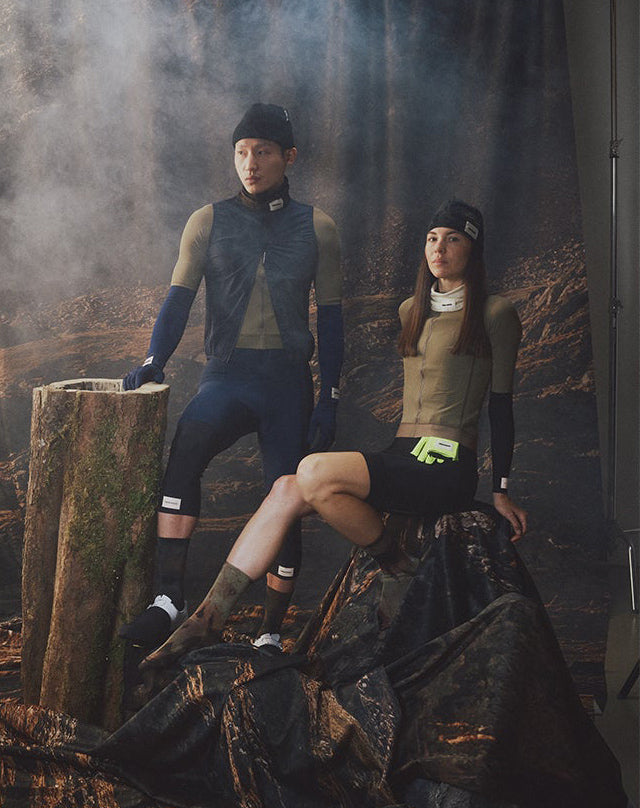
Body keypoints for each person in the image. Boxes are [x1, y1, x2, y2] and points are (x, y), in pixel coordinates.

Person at [142, 198, 528, 668]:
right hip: (404, 451)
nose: (439, 249)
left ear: (473, 249)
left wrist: (500, 489)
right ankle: (207, 619)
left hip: (446, 460)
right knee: (286, 489)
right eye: (432, 238)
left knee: (311, 472)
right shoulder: (411, 309)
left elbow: (502, 405)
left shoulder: (495, 313)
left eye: (453, 239)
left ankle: (397, 566)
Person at [119, 102, 344, 652]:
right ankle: (169, 598)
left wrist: (330, 398)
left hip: (288, 384)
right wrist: (154, 359)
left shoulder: (318, 226)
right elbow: (178, 300)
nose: (250, 163)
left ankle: (271, 629)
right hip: (227, 376)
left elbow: (333, 320)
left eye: (262, 152)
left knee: (285, 495)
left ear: (289, 156)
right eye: (241, 152)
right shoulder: (207, 220)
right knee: (186, 450)